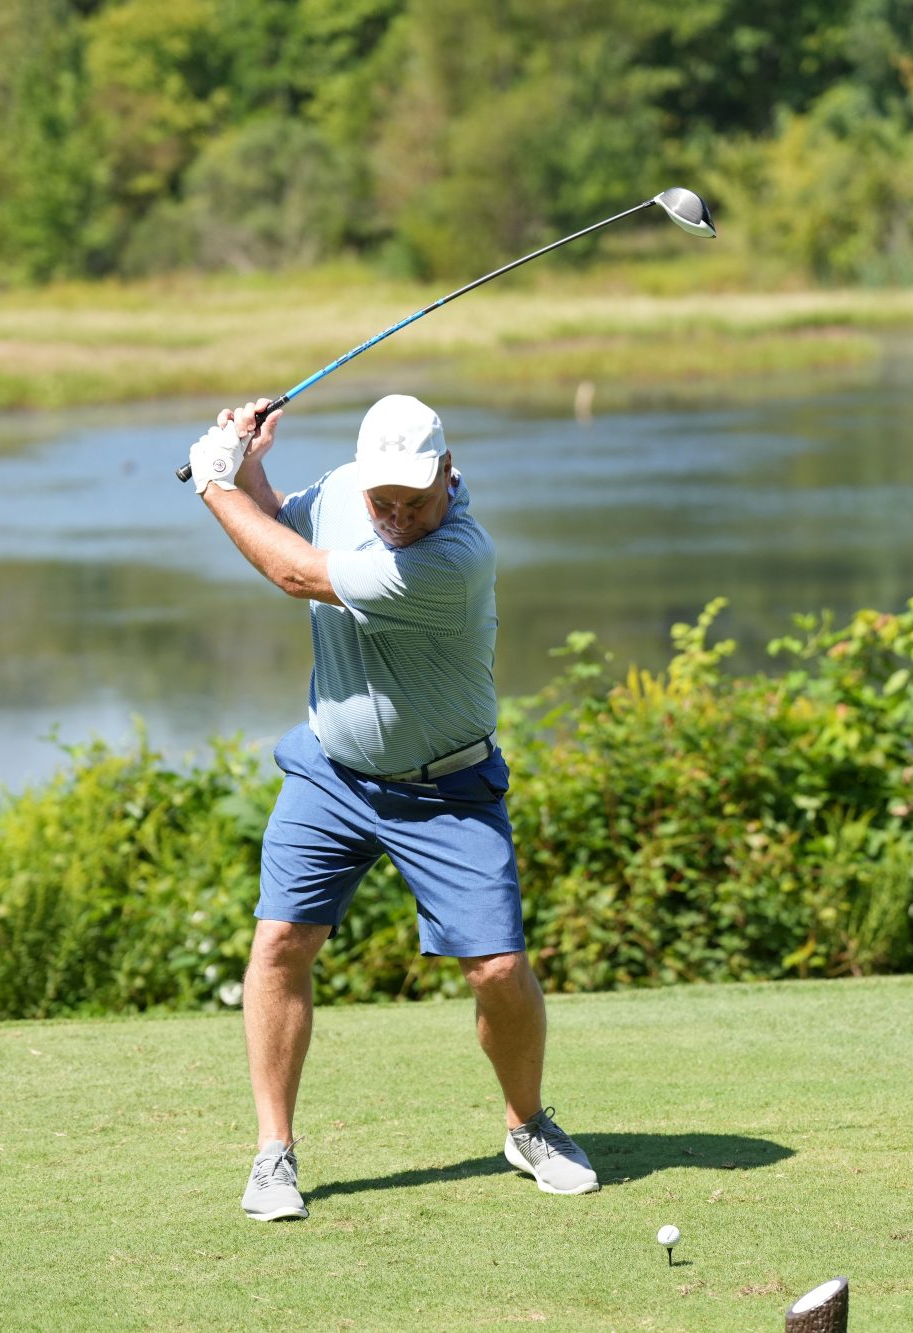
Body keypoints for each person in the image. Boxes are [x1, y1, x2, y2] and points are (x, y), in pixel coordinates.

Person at [187, 393, 598, 1223]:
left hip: (447, 787)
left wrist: (211, 483)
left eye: (416, 498)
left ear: (449, 472)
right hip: (332, 773)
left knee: (498, 970)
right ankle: (274, 1154)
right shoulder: (346, 488)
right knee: (279, 944)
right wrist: (249, 463)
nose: (399, 516)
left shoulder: (454, 558)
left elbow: (294, 571)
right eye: (385, 502)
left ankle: (526, 1126)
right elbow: (285, 524)